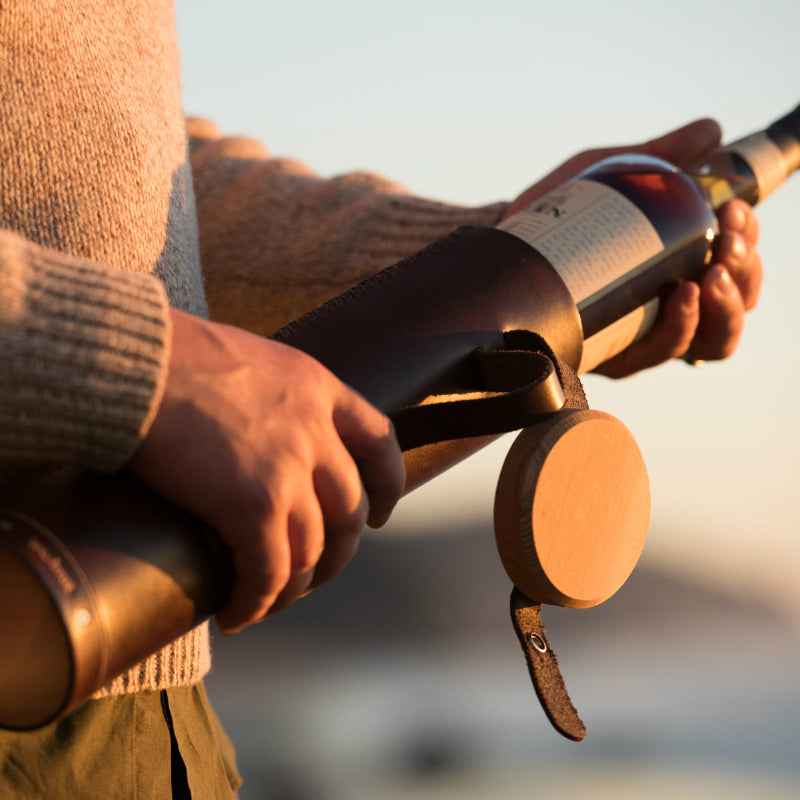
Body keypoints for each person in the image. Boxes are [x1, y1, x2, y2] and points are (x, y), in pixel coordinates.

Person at [0, 2, 762, 798]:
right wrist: (139, 364)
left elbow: (123, 163)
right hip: (45, 633)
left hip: (149, 702)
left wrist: (504, 260)